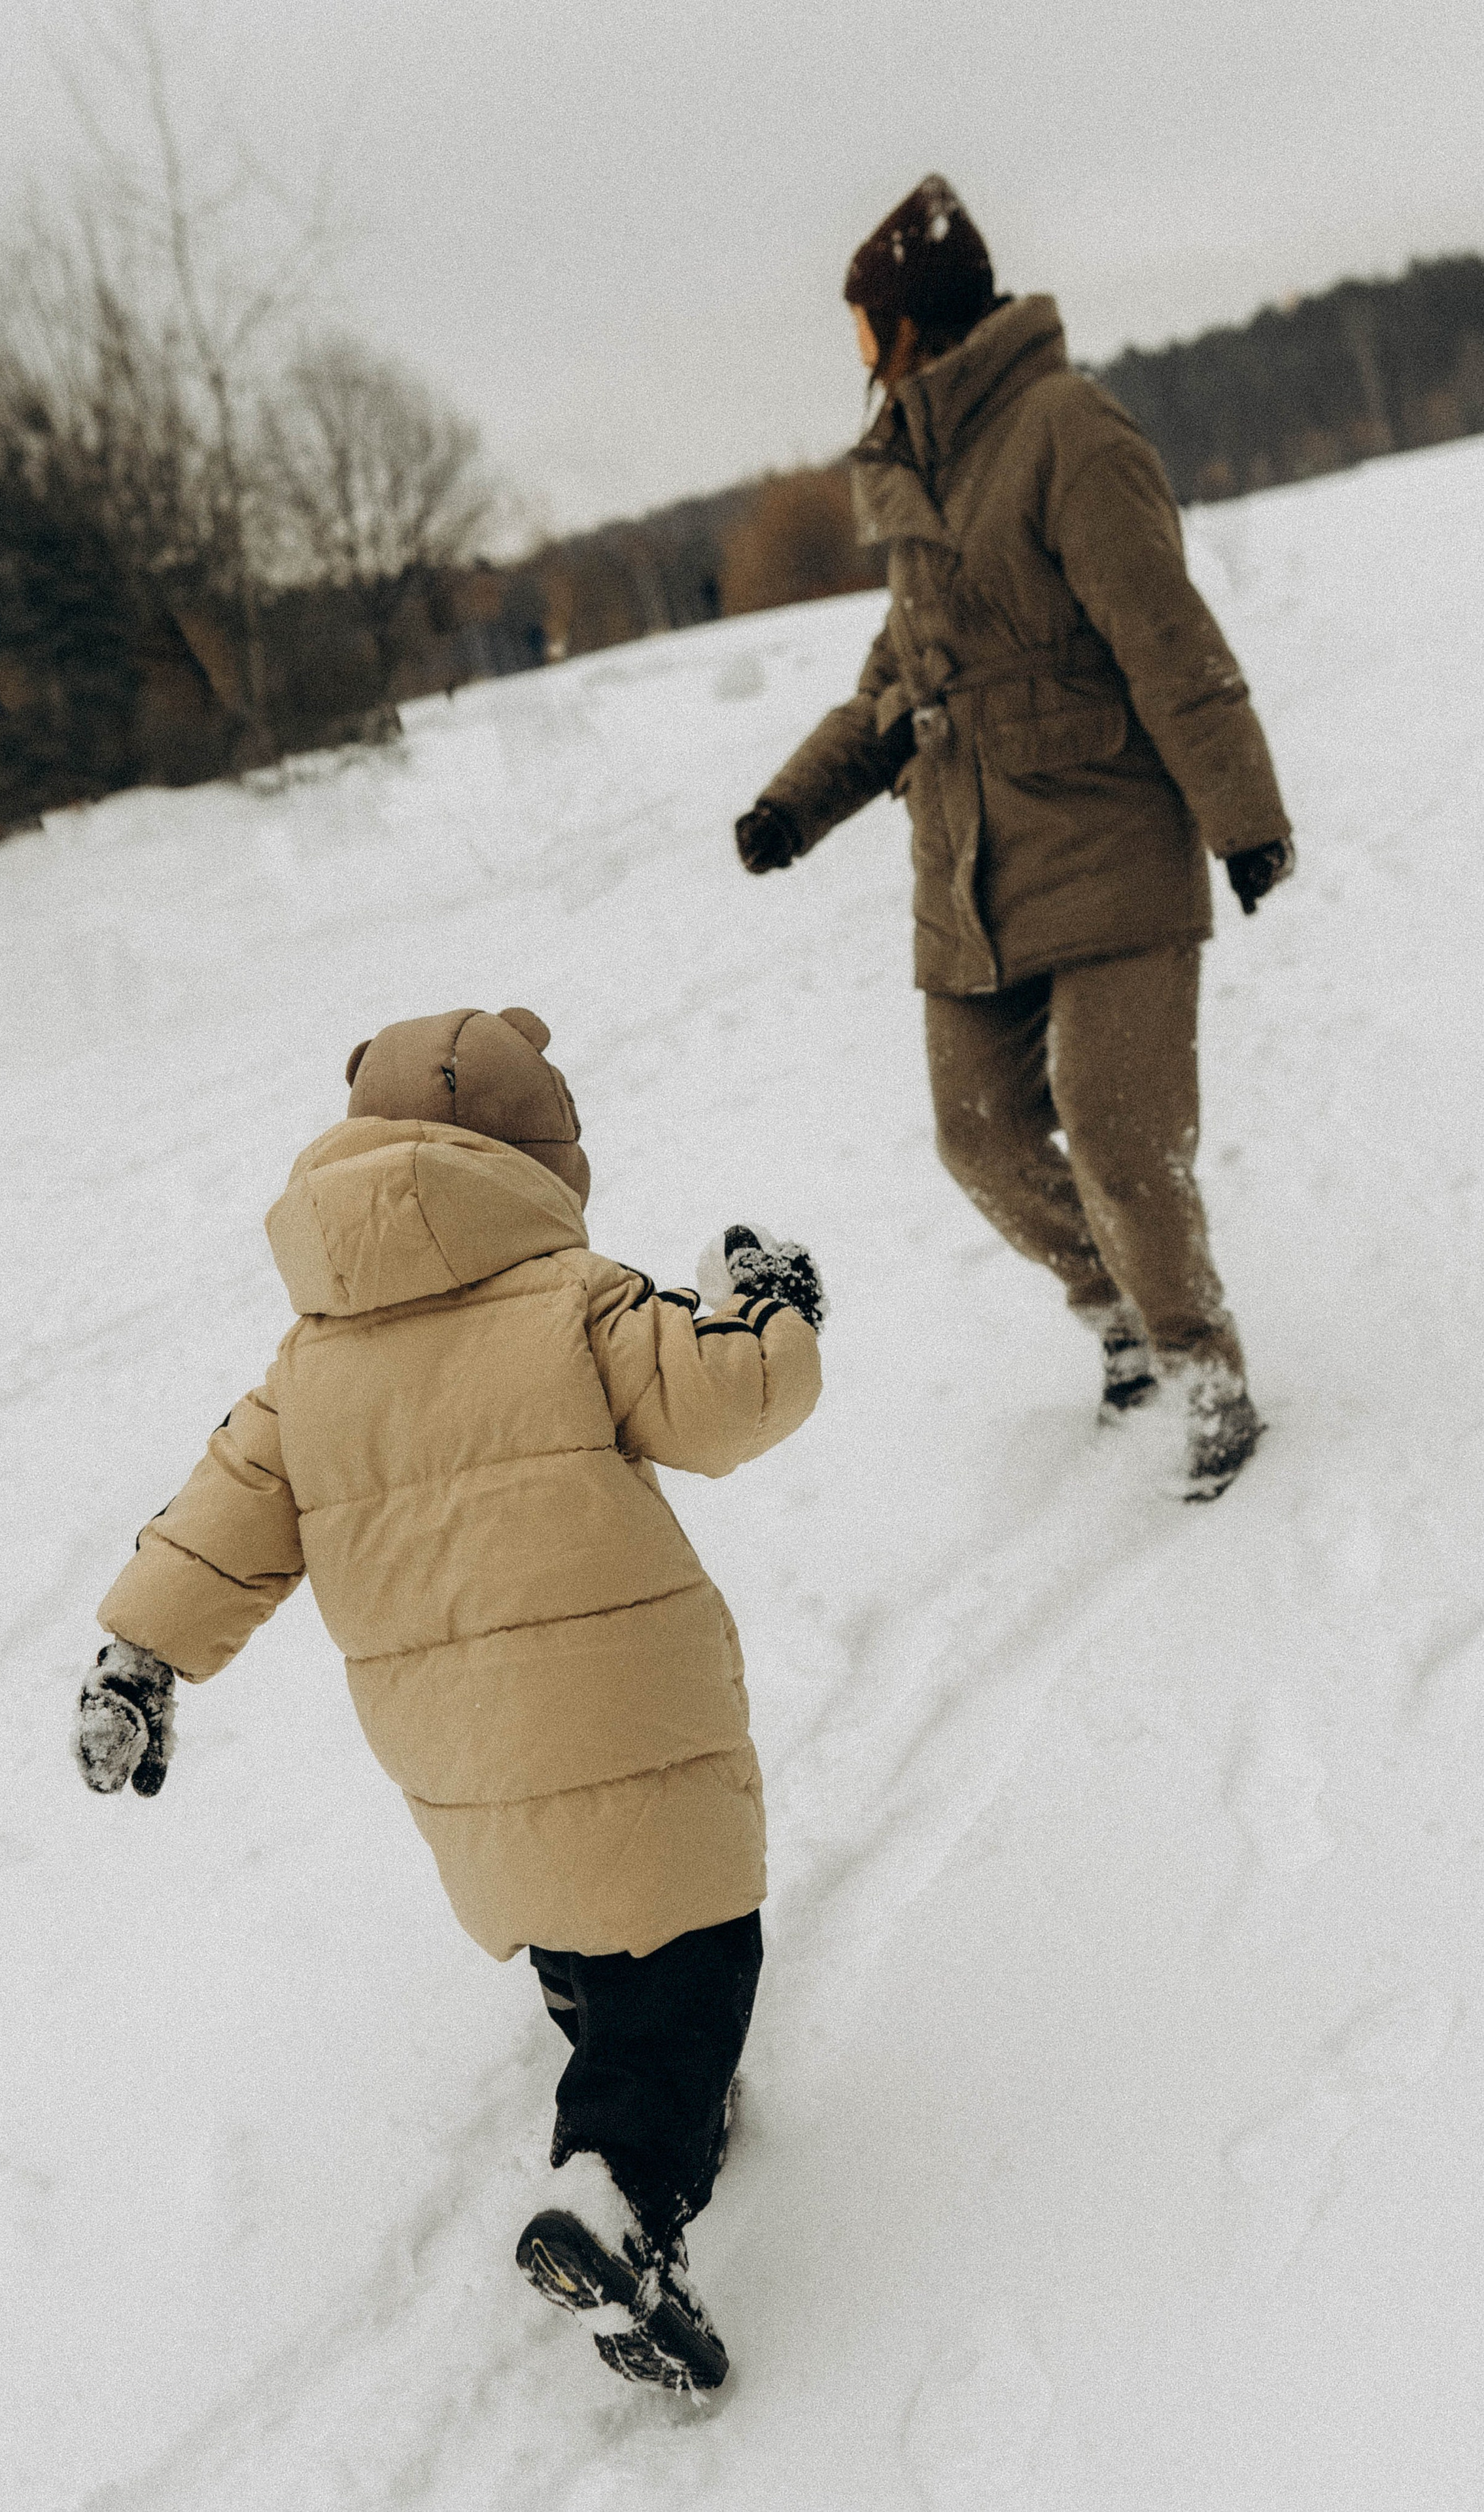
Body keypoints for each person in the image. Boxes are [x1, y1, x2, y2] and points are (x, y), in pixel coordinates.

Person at [73, 1005, 824, 2392]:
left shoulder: (304, 1370)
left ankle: (651, 2119)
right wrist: (767, 1299)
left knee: (581, 1942)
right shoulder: (579, 1298)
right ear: (535, 1161)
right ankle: (617, 2191)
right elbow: (729, 1404)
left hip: (456, 1755)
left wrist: (141, 1657)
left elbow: (214, 1526)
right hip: (625, 1707)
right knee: (691, 1953)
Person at [735, 177, 1295, 1499]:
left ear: (911, 328)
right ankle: (1117, 1320)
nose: (859, 358)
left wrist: (1244, 818)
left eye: (866, 330)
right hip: (971, 864)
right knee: (974, 1128)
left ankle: (1200, 1365)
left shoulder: (1065, 435)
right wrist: (794, 801)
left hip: (1105, 836)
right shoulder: (921, 466)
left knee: (1114, 1133)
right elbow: (899, 674)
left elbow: (1165, 638)